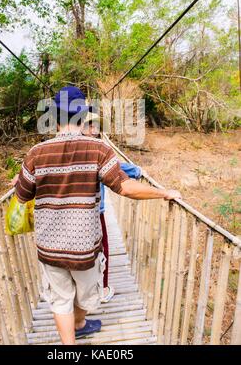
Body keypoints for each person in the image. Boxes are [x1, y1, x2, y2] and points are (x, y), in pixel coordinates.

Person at [14, 86, 182, 345]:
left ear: (55, 118)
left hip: (49, 246)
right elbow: (124, 187)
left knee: (60, 300)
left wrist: (23, 181)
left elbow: (23, 196)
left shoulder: (35, 153)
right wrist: (163, 192)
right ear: (82, 117)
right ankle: (80, 322)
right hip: (84, 247)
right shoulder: (98, 149)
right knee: (88, 297)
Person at [82, 112, 142, 303]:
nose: (95, 129)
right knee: (103, 249)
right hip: (94, 210)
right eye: (90, 125)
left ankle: (83, 294)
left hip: (72, 210)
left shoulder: (72, 147)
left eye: (96, 126)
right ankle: (103, 288)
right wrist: (137, 171)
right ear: (81, 127)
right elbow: (115, 167)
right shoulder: (97, 149)